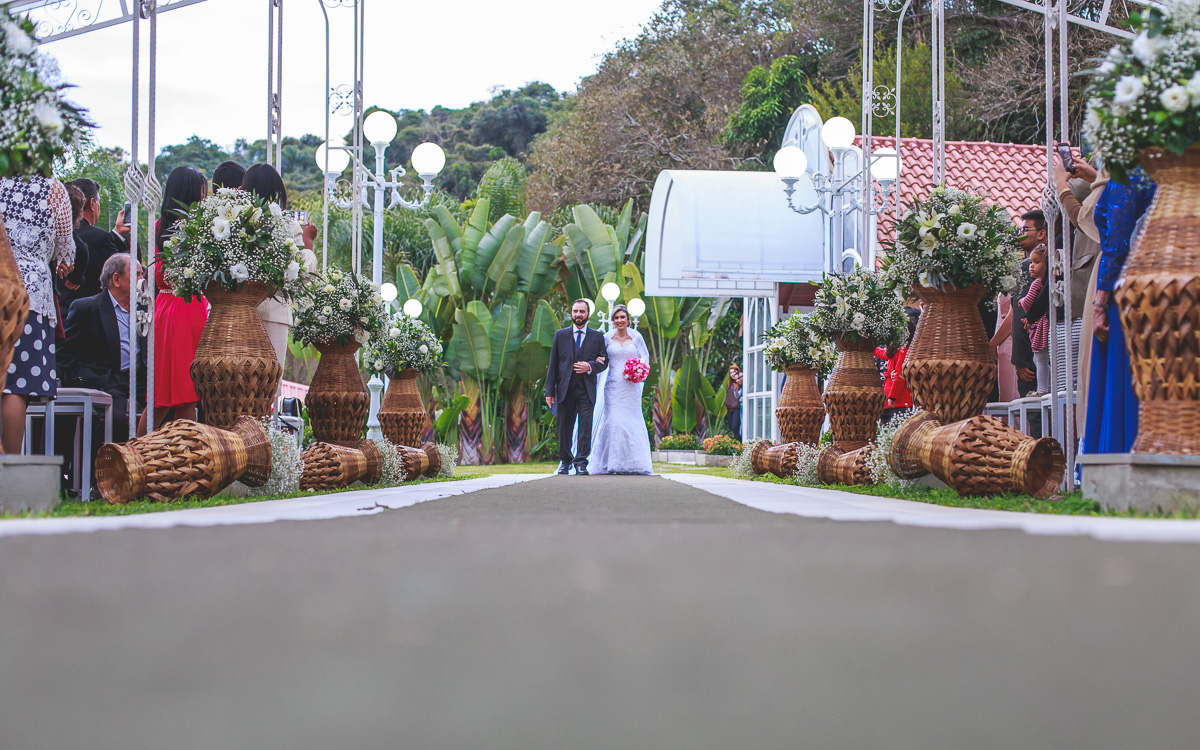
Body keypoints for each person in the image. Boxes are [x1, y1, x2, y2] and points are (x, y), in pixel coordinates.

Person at [0, 174, 75, 454]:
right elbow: (65, 251)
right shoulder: (53, 189)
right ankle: (9, 469)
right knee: (15, 385)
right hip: (27, 294)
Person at [1083, 170, 1156, 455]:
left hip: (1128, 288)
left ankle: (1120, 452)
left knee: (1123, 377)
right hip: (1171, 287)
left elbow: (1118, 241)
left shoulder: (1132, 171)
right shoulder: (1176, 170)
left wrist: (1101, 302)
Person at [140, 166, 208, 433]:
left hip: (165, 309)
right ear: (192, 192)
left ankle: (137, 451)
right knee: (186, 394)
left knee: (161, 395)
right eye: (202, 190)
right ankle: (186, 460)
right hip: (187, 309)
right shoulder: (195, 227)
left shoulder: (159, 226)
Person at [59, 254, 147, 451]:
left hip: (140, 381)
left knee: (166, 410)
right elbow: (66, 354)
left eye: (143, 274)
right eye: (137, 275)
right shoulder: (87, 308)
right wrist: (85, 380)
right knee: (115, 418)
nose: (143, 281)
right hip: (108, 381)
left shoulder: (145, 310)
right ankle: (106, 474)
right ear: (116, 279)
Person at [240, 163, 318, 369]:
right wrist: (308, 244)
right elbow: (302, 273)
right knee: (269, 380)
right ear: (277, 192)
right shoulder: (287, 225)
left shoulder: (237, 222)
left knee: (239, 381)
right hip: (274, 313)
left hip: (240, 312)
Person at [545, 299, 609, 475]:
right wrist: (549, 391)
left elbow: (604, 361)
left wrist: (590, 366)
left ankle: (581, 462)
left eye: (582, 311)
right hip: (565, 389)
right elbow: (553, 364)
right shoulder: (561, 335)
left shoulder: (597, 337)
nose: (578, 315)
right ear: (571, 313)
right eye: (575, 311)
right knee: (564, 427)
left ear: (588, 314)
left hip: (586, 390)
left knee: (585, 427)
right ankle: (565, 462)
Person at [991, 209, 1047, 399]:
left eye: (1025, 231)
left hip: (1030, 347)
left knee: (1031, 406)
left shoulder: (1029, 267)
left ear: (1041, 233)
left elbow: (1022, 313)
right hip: (1020, 347)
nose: (1020, 236)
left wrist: (1021, 359)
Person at [590, 304, 653, 475]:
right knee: (613, 421)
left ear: (628, 320)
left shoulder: (637, 337)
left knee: (632, 420)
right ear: (612, 321)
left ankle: (636, 463)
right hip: (613, 385)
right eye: (616, 318)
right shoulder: (606, 338)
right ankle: (611, 463)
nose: (619, 320)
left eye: (622, 317)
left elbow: (645, 357)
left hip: (631, 386)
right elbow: (600, 357)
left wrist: (640, 371)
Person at [64, 178, 128, 311]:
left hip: (60, 314)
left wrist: (116, 233)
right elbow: (119, 271)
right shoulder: (101, 238)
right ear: (92, 203)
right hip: (90, 317)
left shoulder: (59, 233)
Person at [876, 304, 919, 421]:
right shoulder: (897, 348)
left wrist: (892, 397)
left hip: (898, 400)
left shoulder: (904, 349)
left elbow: (900, 375)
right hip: (890, 398)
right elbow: (884, 355)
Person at [1020, 245, 1051, 396]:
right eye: (1031, 262)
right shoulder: (1042, 283)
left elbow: (1027, 303)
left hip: (1040, 326)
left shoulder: (1036, 284)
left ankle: (1042, 389)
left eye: (1036, 261)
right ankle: (1047, 386)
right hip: (1044, 324)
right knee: (1044, 359)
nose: (1031, 266)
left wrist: (1021, 300)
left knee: (1039, 358)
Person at [724, 363, 743, 440]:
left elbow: (738, 395)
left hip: (737, 408)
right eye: (730, 373)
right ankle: (737, 444)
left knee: (736, 427)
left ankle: (739, 442)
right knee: (733, 428)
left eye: (734, 372)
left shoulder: (739, 383)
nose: (732, 374)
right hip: (729, 408)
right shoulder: (729, 384)